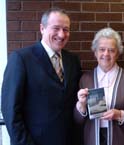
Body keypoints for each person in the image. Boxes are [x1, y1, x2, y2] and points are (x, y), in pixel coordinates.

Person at [1, 7, 82, 145]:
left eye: (66, 29)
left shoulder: (73, 61)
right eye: (56, 28)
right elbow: (11, 111)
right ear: (42, 28)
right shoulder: (21, 59)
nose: (62, 35)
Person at [74, 27, 124, 145]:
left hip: (120, 140)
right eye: (102, 49)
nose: (106, 54)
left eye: (111, 50)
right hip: (92, 140)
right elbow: (77, 120)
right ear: (95, 52)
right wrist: (82, 106)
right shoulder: (85, 80)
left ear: (118, 53)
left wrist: (120, 115)